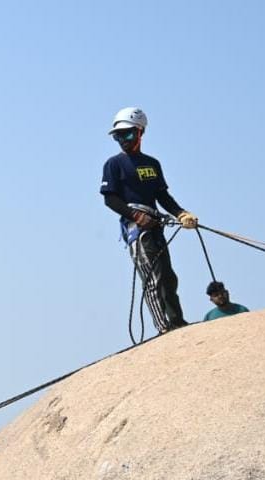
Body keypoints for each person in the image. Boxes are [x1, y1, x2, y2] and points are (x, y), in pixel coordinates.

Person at [100, 107, 199, 334]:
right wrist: (136, 216)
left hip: (155, 223)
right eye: (118, 136)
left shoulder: (152, 164)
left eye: (126, 134)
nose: (122, 140)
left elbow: (162, 196)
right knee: (153, 278)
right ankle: (163, 327)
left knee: (168, 276)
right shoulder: (114, 164)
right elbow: (110, 200)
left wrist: (182, 214)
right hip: (136, 226)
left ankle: (177, 321)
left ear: (140, 132)